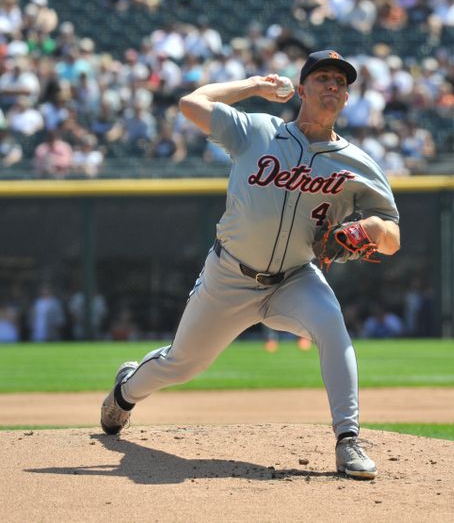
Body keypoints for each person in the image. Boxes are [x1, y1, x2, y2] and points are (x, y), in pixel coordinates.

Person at [99, 50, 401, 481]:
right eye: (322, 78)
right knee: (183, 363)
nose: (332, 85)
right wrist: (255, 87)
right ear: (301, 89)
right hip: (229, 275)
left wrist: (369, 226)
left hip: (295, 279)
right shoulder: (257, 130)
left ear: (348, 97)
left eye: (340, 81)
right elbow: (191, 103)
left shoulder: (358, 164)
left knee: (333, 327)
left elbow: (392, 238)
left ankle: (347, 440)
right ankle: (124, 393)